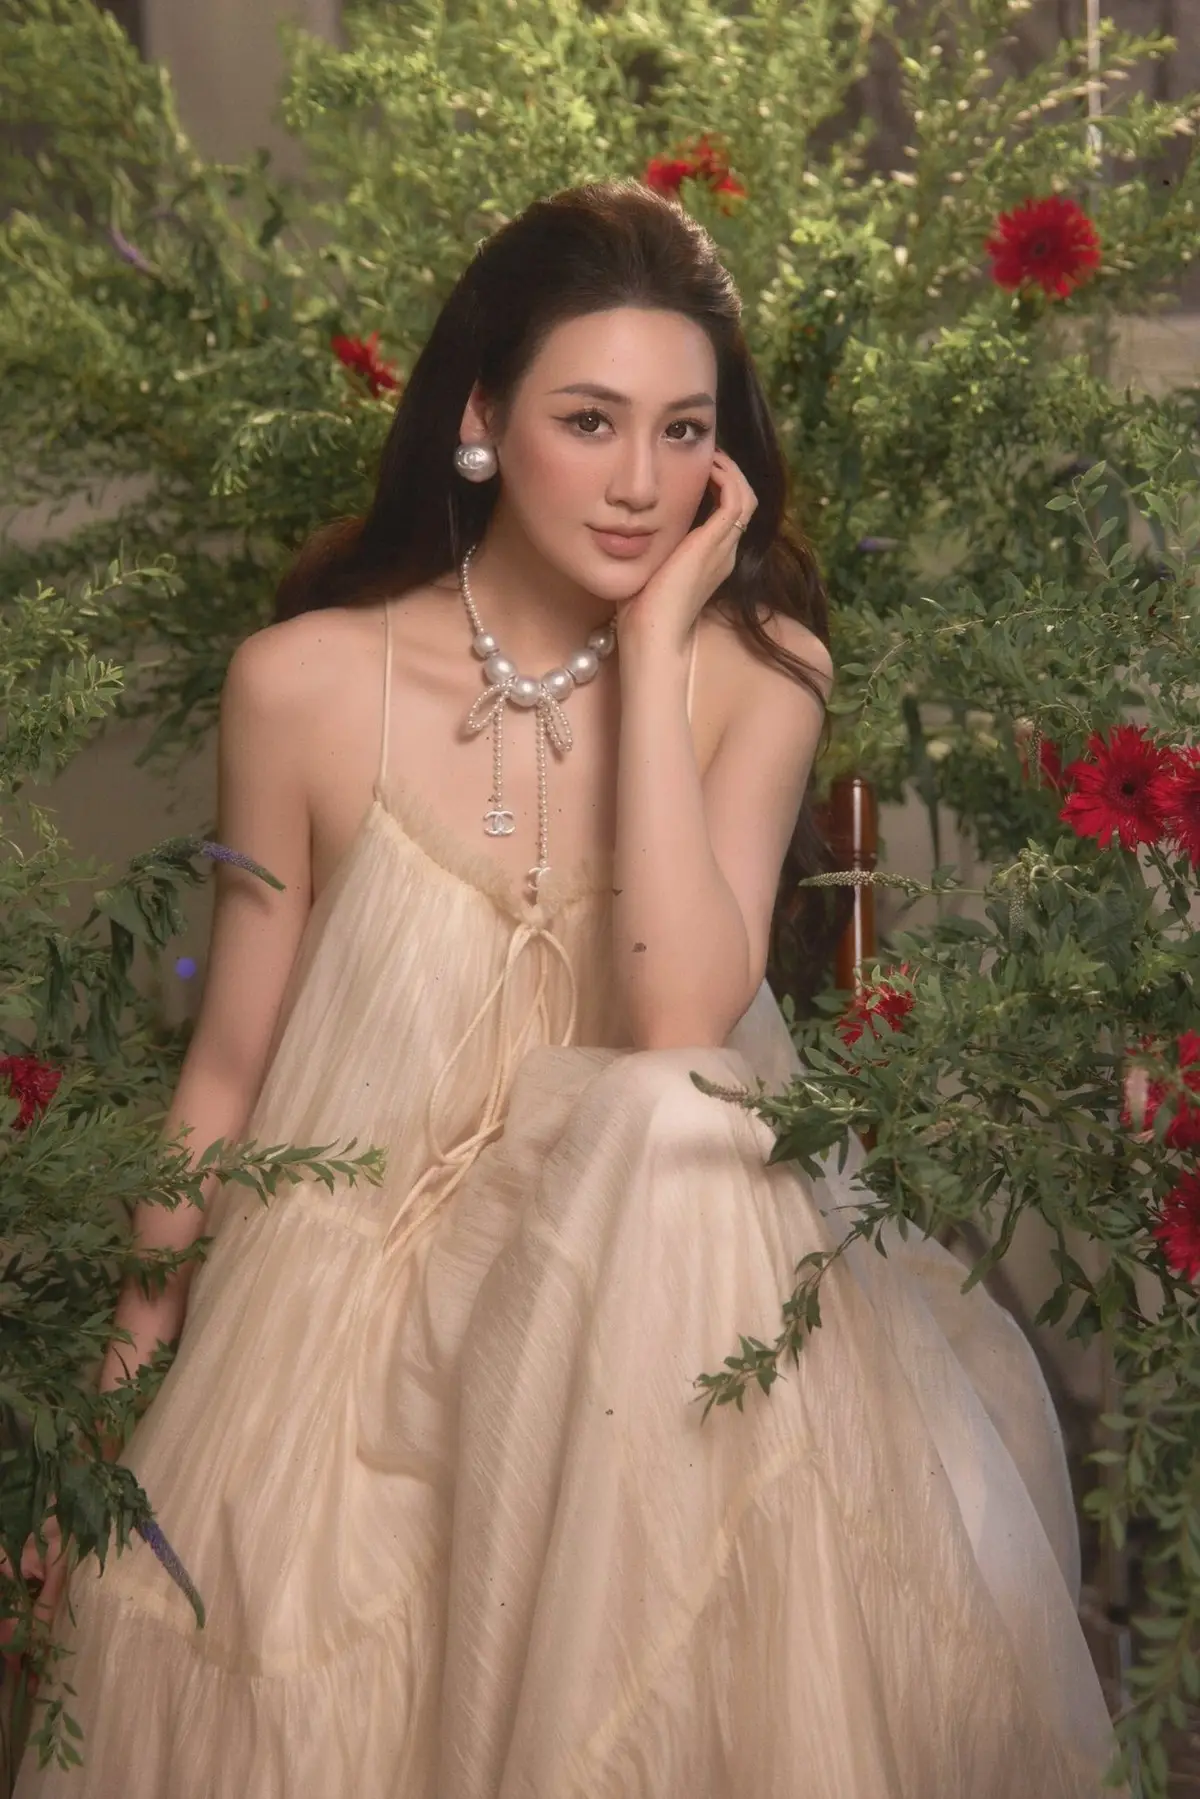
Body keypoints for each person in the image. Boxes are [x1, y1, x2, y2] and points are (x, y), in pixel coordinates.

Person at [14, 178, 1121, 1798]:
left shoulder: (758, 673)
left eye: (685, 434)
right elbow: (229, 1064)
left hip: (654, 1312)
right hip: (355, 1310)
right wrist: (113, 1402)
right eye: (589, 420)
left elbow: (677, 1019)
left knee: (681, 1121)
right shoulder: (303, 684)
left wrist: (665, 644)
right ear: (480, 420)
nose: (639, 482)